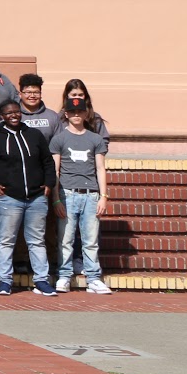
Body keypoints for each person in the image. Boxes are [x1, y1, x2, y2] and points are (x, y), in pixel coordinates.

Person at [0, 99, 57, 296]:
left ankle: (41, 280)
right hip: (9, 198)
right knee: (6, 240)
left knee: (36, 240)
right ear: (2, 116)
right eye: (9, 113)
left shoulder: (34, 135)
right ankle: (4, 280)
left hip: (36, 197)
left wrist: (49, 183)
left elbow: (47, 161)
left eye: (17, 112)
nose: (14, 115)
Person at [50, 102, 112, 294]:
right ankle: (64, 276)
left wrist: (103, 196)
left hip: (91, 195)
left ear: (86, 114)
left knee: (90, 240)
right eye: (72, 111)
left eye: (80, 111)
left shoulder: (95, 139)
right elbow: (55, 171)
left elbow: (100, 168)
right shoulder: (59, 139)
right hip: (67, 194)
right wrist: (56, 199)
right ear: (66, 114)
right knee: (65, 239)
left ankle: (93, 278)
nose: (76, 114)